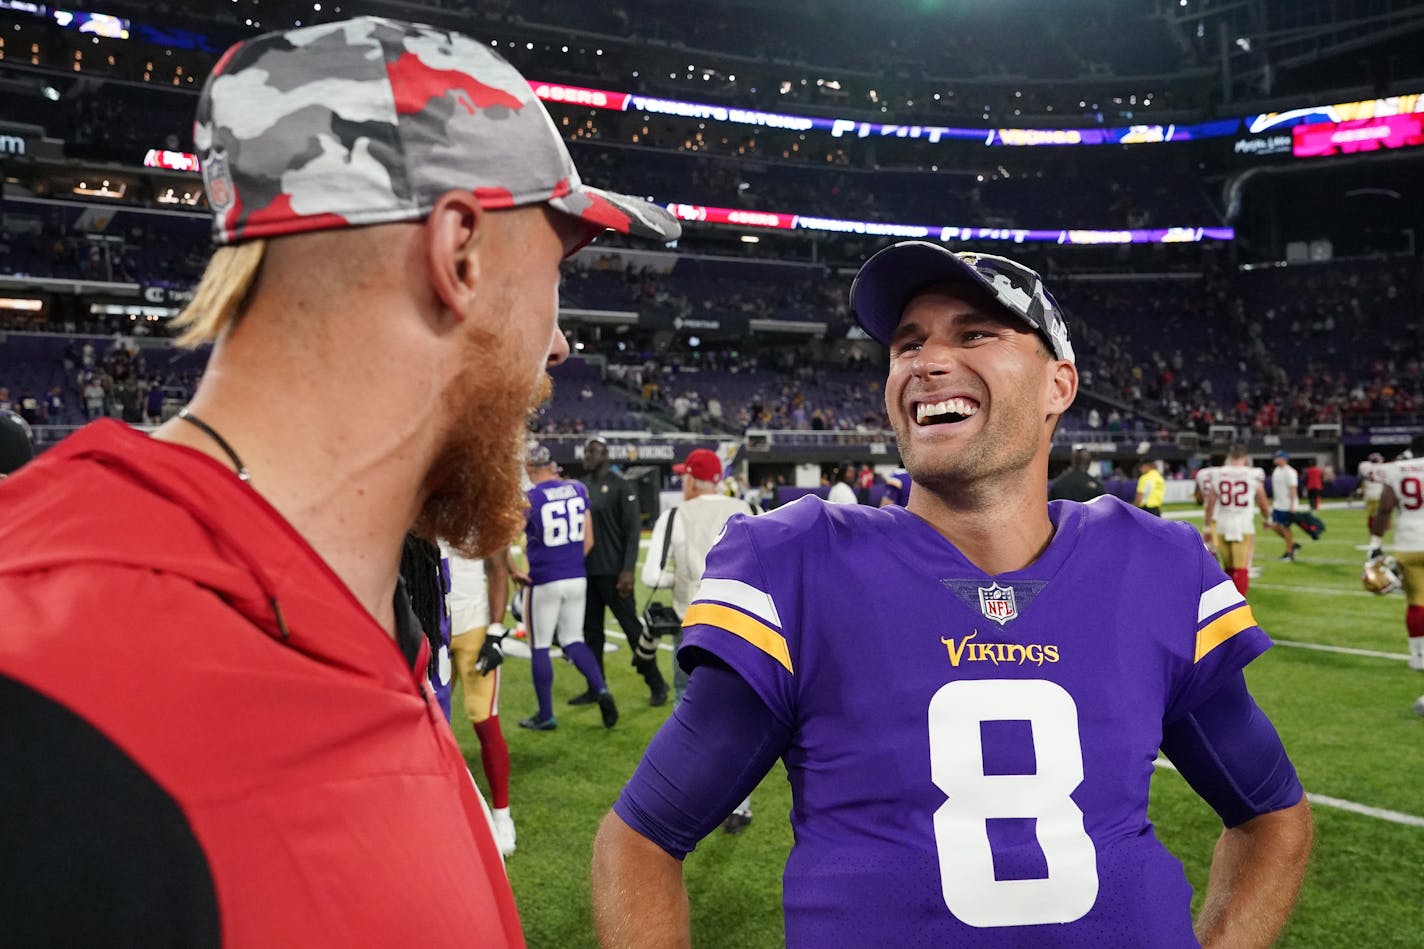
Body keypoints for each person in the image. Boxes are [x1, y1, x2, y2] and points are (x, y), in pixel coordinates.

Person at [0, 16, 678, 946]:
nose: (559, 345)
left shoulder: (348, 607)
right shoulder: (46, 686)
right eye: (557, 267)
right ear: (461, 258)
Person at [593, 243, 1311, 946]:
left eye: (975, 333)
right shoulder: (797, 560)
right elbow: (643, 838)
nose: (927, 362)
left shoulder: (1155, 562)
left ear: (1059, 385)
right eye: (906, 344)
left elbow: (1272, 813)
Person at [642, 448, 757, 832]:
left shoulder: (676, 515)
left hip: (691, 626)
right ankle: (739, 805)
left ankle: (689, 798)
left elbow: (652, 577)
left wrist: (685, 580)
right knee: (740, 718)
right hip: (740, 626)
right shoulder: (745, 508)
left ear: (691, 479)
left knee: (686, 714)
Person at [520, 443, 618, 730]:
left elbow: (507, 535)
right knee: (574, 640)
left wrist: (516, 569)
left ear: (531, 468)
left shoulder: (530, 498)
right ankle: (601, 689)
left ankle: (545, 714)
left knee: (539, 646)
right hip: (576, 576)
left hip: (544, 579)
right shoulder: (577, 489)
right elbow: (588, 541)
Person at [581, 436, 670, 706]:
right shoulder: (582, 486)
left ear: (605, 454)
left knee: (633, 630)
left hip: (615, 573)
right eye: (586, 451)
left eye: (592, 451)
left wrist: (628, 570)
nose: (586, 456)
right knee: (591, 633)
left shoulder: (621, 486)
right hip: (589, 572)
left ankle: (657, 684)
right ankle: (596, 687)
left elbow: (633, 532)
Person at [444, 545, 518, 856]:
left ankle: (502, 814)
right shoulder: (418, 505)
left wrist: (496, 632)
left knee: (485, 720)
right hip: (431, 627)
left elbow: (498, 570)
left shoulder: (477, 508)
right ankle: (439, 812)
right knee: (431, 726)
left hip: (474, 625)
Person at [1369, 433, 1424, 674]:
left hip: (1409, 542)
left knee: (1416, 603)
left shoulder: (1397, 469)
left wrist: (1375, 543)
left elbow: (1384, 509)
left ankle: (1419, 657)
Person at [1203, 445, 1272, 596]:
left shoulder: (1218, 473)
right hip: (1243, 526)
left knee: (1228, 568)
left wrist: (1207, 527)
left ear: (1229, 457)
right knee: (1241, 568)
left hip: (1222, 524)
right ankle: (1238, 606)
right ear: (1245, 458)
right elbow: (1262, 500)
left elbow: (1210, 504)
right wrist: (1268, 518)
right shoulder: (1253, 473)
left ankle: (1228, 601)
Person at [1268, 451, 1303, 561]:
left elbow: (1293, 488)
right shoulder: (1277, 471)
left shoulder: (1290, 472)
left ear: (1283, 459)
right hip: (1278, 505)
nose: (1275, 459)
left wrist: (1292, 505)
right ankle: (1292, 544)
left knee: (1285, 528)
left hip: (1286, 505)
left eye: (1277, 457)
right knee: (1274, 526)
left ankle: (1289, 552)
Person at [1359, 451, 1388, 556]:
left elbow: (1361, 478)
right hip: (1381, 495)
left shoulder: (1365, 466)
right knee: (1380, 518)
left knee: (1373, 517)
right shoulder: (1384, 467)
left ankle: (1374, 536)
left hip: (1370, 495)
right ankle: (1376, 537)